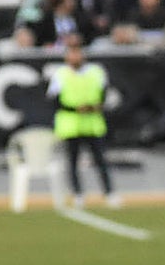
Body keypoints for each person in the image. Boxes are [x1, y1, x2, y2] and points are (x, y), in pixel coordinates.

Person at [47, 34, 119, 209]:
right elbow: (53, 101)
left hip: (93, 123)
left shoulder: (96, 72)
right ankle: (78, 194)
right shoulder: (60, 74)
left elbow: (104, 94)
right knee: (72, 161)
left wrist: (95, 107)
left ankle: (109, 193)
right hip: (71, 124)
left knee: (101, 160)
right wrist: (75, 109)